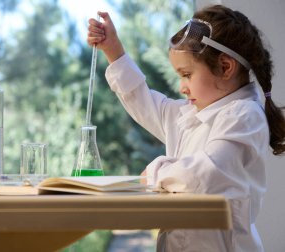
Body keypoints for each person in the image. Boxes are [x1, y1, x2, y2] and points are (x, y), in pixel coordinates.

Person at [87, 4, 285, 252]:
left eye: (187, 74)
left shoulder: (244, 116)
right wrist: (113, 52)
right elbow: (144, 101)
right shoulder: (191, 115)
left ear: (225, 67)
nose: (182, 87)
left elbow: (204, 175)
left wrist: (154, 172)